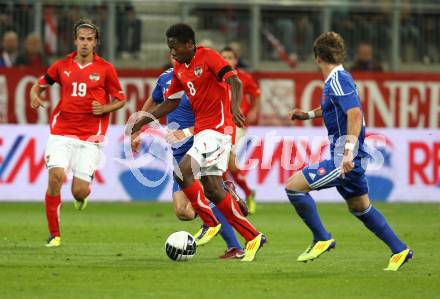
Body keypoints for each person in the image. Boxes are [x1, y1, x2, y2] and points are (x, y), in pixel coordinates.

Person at [131, 23, 265, 262]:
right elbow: (169, 102)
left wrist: (234, 107)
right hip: (205, 131)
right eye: (169, 47)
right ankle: (253, 236)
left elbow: (235, 81)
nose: (171, 52)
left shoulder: (209, 57)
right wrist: (143, 122)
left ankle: (210, 223)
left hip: (218, 129)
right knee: (212, 189)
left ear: (189, 45)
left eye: (175, 47)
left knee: (183, 172)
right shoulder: (181, 70)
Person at [285, 32, 412, 271]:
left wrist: (347, 153)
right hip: (351, 155)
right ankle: (400, 249)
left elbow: (354, 114)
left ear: (317, 57)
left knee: (294, 187)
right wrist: (308, 115)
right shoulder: (339, 78)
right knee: (360, 208)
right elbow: (333, 107)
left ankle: (322, 238)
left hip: (345, 156)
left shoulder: (337, 80)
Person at [29, 18, 126, 247]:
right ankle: (55, 235)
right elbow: (40, 84)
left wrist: (104, 108)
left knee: (79, 191)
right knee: (56, 176)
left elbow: (121, 99)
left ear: (95, 43)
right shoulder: (62, 66)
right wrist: (34, 94)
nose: (84, 43)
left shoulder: (105, 69)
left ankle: (81, 196)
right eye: (81, 39)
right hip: (61, 131)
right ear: (75, 40)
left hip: (91, 137)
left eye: (89, 40)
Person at [134, 66, 245, 258]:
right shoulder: (165, 78)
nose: (175, 55)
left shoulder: (202, 78)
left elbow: (213, 118)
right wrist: (137, 128)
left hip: (201, 142)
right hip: (178, 149)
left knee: (209, 192)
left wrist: (187, 132)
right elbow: (153, 100)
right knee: (183, 212)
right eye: (172, 50)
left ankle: (234, 246)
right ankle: (223, 194)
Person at [220, 46, 260, 214]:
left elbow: (256, 93)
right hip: (219, 123)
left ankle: (228, 199)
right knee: (227, 164)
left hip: (237, 124)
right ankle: (246, 193)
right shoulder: (217, 77)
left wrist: (254, 110)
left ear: (236, 60)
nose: (227, 60)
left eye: (230, 57)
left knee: (225, 161)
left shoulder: (242, 77)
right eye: (224, 57)